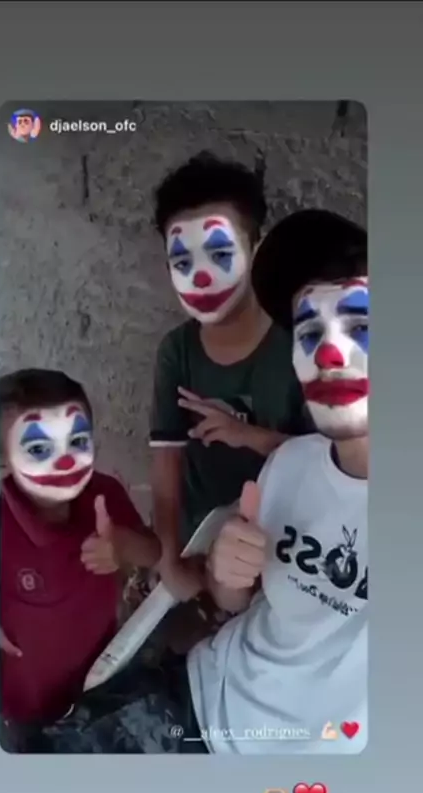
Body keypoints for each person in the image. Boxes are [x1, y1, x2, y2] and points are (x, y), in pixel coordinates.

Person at [36, 208, 368, 755]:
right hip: (196, 694)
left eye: (361, 326)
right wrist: (220, 574)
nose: (330, 354)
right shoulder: (293, 463)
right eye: (309, 331)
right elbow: (236, 597)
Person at [149, 152, 313, 602]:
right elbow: (166, 465)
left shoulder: (301, 345)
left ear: (257, 251)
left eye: (220, 254)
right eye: (182, 262)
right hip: (197, 545)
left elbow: (326, 462)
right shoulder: (176, 350)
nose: (200, 277)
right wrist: (168, 558)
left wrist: (248, 435)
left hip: (279, 549)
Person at [0, 368, 161, 751]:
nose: (65, 461)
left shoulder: (105, 493)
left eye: (77, 440)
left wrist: (122, 545)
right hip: (26, 706)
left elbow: (154, 553)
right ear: (3, 460)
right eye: (38, 449)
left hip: (100, 680)